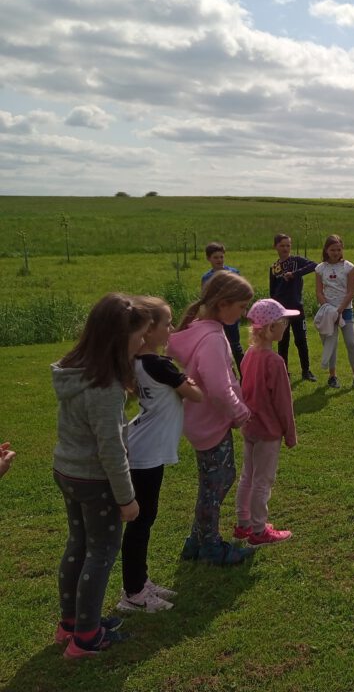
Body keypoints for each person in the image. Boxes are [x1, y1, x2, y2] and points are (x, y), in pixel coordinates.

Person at [52, 293, 148, 658]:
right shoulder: (105, 387)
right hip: (94, 481)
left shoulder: (75, 371)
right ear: (118, 338)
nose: (142, 342)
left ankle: (71, 623)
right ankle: (87, 637)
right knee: (102, 551)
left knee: (78, 543)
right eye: (138, 336)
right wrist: (127, 499)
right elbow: (111, 450)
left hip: (67, 471)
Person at [117, 296, 203, 613]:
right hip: (147, 452)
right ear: (148, 330)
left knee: (143, 520)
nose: (171, 328)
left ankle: (139, 582)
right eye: (167, 324)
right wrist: (189, 381)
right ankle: (134, 592)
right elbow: (196, 394)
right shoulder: (159, 364)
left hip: (143, 446)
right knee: (142, 521)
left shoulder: (140, 361)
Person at [168, 270, 255, 565]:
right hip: (210, 423)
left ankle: (196, 540)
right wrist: (240, 413)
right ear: (222, 303)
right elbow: (218, 388)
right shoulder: (212, 339)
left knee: (214, 482)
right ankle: (211, 546)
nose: (243, 314)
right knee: (216, 484)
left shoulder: (201, 329)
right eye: (241, 307)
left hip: (201, 420)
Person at [234, 299, 298, 547]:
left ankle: (244, 524)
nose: (286, 327)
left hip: (249, 426)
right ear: (271, 328)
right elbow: (283, 403)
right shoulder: (275, 362)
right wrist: (290, 434)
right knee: (262, 480)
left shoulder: (249, 355)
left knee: (248, 476)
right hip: (268, 431)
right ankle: (259, 530)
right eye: (283, 323)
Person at [314, 235, 354, 389]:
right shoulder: (320, 268)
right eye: (332, 250)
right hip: (328, 312)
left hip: (345, 311)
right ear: (326, 250)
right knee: (331, 344)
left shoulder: (349, 267)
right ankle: (332, 376)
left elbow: (351, 292)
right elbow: (319, 292)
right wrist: (328, 309)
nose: (336, 253)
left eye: (338, 249)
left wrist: (339, 310)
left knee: (351, 343)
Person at [269, 233, 317, 382]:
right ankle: (284, 371)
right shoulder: (274, 268)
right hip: (281, 310)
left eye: (288, 245)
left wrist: (295, 274)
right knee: (283, 341)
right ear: (275, 247)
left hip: (297, 307)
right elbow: (272, 290)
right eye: (282, 245)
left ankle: (306, 371)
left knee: (301, 340)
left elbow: (314, 265)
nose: (285, 248)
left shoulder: (296, 261)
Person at [201, 242, 245, 373]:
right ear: (208, 258)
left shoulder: (233, 273)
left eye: (221, 257)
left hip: (231, 316)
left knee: (235, 346)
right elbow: (205, 298)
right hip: (216, 317)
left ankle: (245, 375)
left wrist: (241, 308)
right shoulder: (207, 278)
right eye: (215, 257)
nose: (219, 260)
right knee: (222, 347)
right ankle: (230, 376)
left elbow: (241, 292)